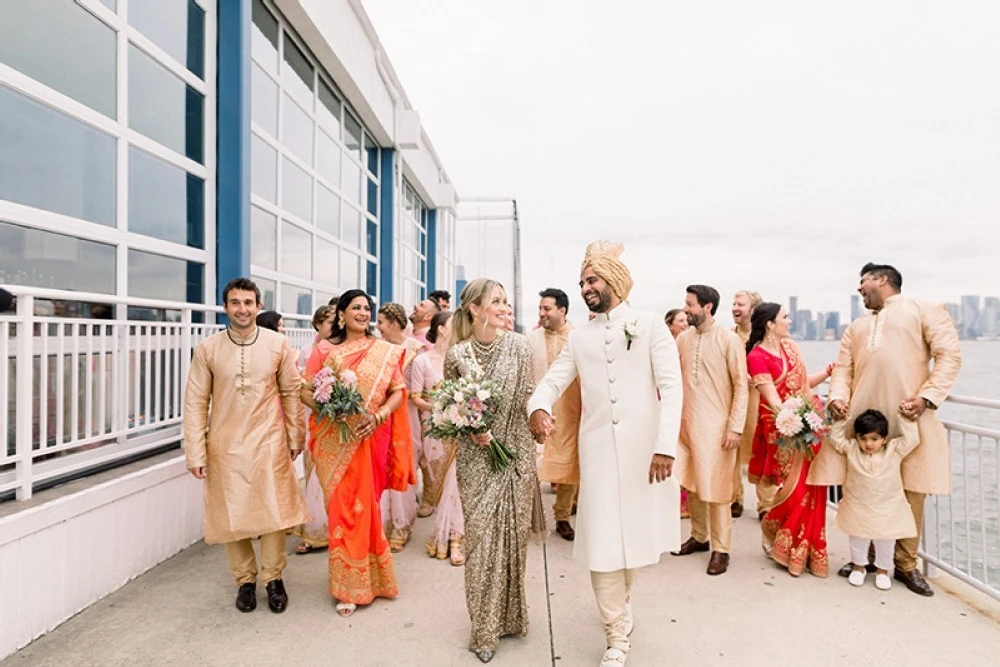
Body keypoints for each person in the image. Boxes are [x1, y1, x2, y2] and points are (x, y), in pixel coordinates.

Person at [529, 241, 683, 667]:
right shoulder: (580, 340)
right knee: (600, 543)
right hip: (596, 456)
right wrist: (538, 407)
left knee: (633, 540)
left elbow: (671, 389)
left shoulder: (650, 325)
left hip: (645, 457)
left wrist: (664, 447)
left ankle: (623, 601)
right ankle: (616, 635)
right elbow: (553, 382)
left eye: (591, 279)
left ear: (614, 280)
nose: (584, 288)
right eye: (581, 282)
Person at [814, 262, 962, 596]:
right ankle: (863, 559)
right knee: (863, 489)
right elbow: (843, 371)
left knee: (912, 489)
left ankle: (906, 566)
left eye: (863, 281)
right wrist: (838, 397)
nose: (859, 288)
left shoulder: (923, 309)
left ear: (882, 279)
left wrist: (926, 398)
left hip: (909, 416)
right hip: (863, 423)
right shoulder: (857, 326)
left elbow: (949, 356)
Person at [182, 278, 308, 614]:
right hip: (224, 443)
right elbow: (195, 402)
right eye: (235, 303)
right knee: (230, 514)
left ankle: (273, 578)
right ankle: (245, 580)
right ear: (225, 307)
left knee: (273, 511)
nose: (242, 309)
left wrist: (296, 437)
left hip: (268, 440)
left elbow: (291, 394)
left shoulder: (277, 344)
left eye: (248, 303)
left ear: (258, 306)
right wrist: (195, 450)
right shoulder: (208, 349)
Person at [300, 290, 415, 617]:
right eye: (356, 308)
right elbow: (305, 391)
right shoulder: (325, 350)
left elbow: (398, 392)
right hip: (333, 440)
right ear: (341, 314)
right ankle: (346, 587)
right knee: (341, 510)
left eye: (367, 308)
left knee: (366, 509)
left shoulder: (384, 351)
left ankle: (374, 581)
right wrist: (330, 409)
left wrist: (377, 416)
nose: (363, 313)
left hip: (367, 438)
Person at [445, 278, 539, 663]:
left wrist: (540, 420)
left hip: (515, 456)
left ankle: (511, 619)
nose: (504, 307)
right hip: (475, 459)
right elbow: (447, 404)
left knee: (513, 542)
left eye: (505, 300)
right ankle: (483, 629)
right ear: (474, 309)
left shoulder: (520, 346)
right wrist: (472, 426)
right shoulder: (458, 355)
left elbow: (531, 395)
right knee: (482, 544)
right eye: (495, 301)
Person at [746, 303, 832, 577]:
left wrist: (829, 372)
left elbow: (805, 386)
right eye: (784, 317)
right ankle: (776, 534)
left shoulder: (792, 348)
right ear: (770, 324)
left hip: (807, 424)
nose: (789, 320)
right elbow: (772, 399)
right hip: (780, 427)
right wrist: (795, 420)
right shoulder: (757, 356)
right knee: (792, 489)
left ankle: (803, 549)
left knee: (811, 487)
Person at [672, 285, 747, 576]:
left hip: (718, 429)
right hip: (687, 424)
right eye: (685, 304)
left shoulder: (729, 340)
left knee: (717, 489)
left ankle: (721, 549)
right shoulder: (684, 339)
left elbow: (742, 386)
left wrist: (735, 427)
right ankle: (699, 537)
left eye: (690, 305)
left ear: (707, 307)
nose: (686, 310)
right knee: (691, 482)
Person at [829, 410, 920, 590]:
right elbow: (836, 440)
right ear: (857, 438)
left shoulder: (894, 450)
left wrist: (904, 419)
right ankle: (859, 567)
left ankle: (883, 571)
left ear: (884, 439)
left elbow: (912, 440)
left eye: (874, 439)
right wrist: (841, 420)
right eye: (863, 439)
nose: (868, 444)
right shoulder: (852, 449)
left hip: (887, 506)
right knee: (858, 537)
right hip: (858, 504)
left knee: (885, 539)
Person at [411, 310, 466, 565]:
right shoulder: (422, 361)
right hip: (434, 426)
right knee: (435, 479)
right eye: (453, 323)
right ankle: (444, 527)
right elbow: (415, 397)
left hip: (460, 427)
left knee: (456, 483)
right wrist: (437, 408)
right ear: (442, 328)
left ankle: (454, 536)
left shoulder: (461, 358)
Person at [528, 288, 581, 541]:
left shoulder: (578, 338)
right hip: (538, 414)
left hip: (571, 413)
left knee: (569, 465)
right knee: (534, 465)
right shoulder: (531, 339)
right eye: (540, 308)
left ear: (563, 310)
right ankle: (530, 517)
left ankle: (562, 517)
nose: (542, 313)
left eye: (547, 308)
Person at [376, 302, 429, 551]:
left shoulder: (415, 350)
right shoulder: (379, 349)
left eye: (381, 323)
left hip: (407, 414)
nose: (378, 328)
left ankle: (402, 523)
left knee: (403, 462)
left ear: (394, 324)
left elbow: (421, 385)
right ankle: (384, 524)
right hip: (382, 413)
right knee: (383, 465)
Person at [293, 305, 335, 555]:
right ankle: (315, 531)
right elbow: (303, 385)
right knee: (314, 475)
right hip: (315, 417)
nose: (333, 327)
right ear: (318, 324)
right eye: (329, 322)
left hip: (338, 418)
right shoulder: (307, 352)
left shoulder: (342, 348)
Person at [730, 290, 768, 519]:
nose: (735, 308)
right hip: (734, 400)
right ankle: (735, 498)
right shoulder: (728, 335)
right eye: (734, 304)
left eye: (740, 304)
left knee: (761, 449)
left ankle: (766, 503)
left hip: (759, 400)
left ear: (752, 310)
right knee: (731, 450)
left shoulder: (765, 337)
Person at [664, 308, 690, 518]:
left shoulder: (689, 344)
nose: (685, 323)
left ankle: (684, 501)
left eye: (686, 320)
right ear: (670, 324)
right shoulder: (664, 346)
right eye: (680, 320)